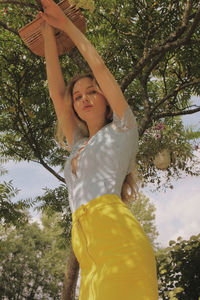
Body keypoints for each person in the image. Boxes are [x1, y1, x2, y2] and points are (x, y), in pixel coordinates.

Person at [40, 0, 158, 299]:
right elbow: (56, 92)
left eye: (93, 91)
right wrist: (46, 34)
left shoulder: (122, 127)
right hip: (87, 251)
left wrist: (66, 26)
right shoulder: (78, 143)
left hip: (118, 242)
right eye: (78, 96)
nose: (84, 98)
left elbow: (99, 67)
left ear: (106, 99)